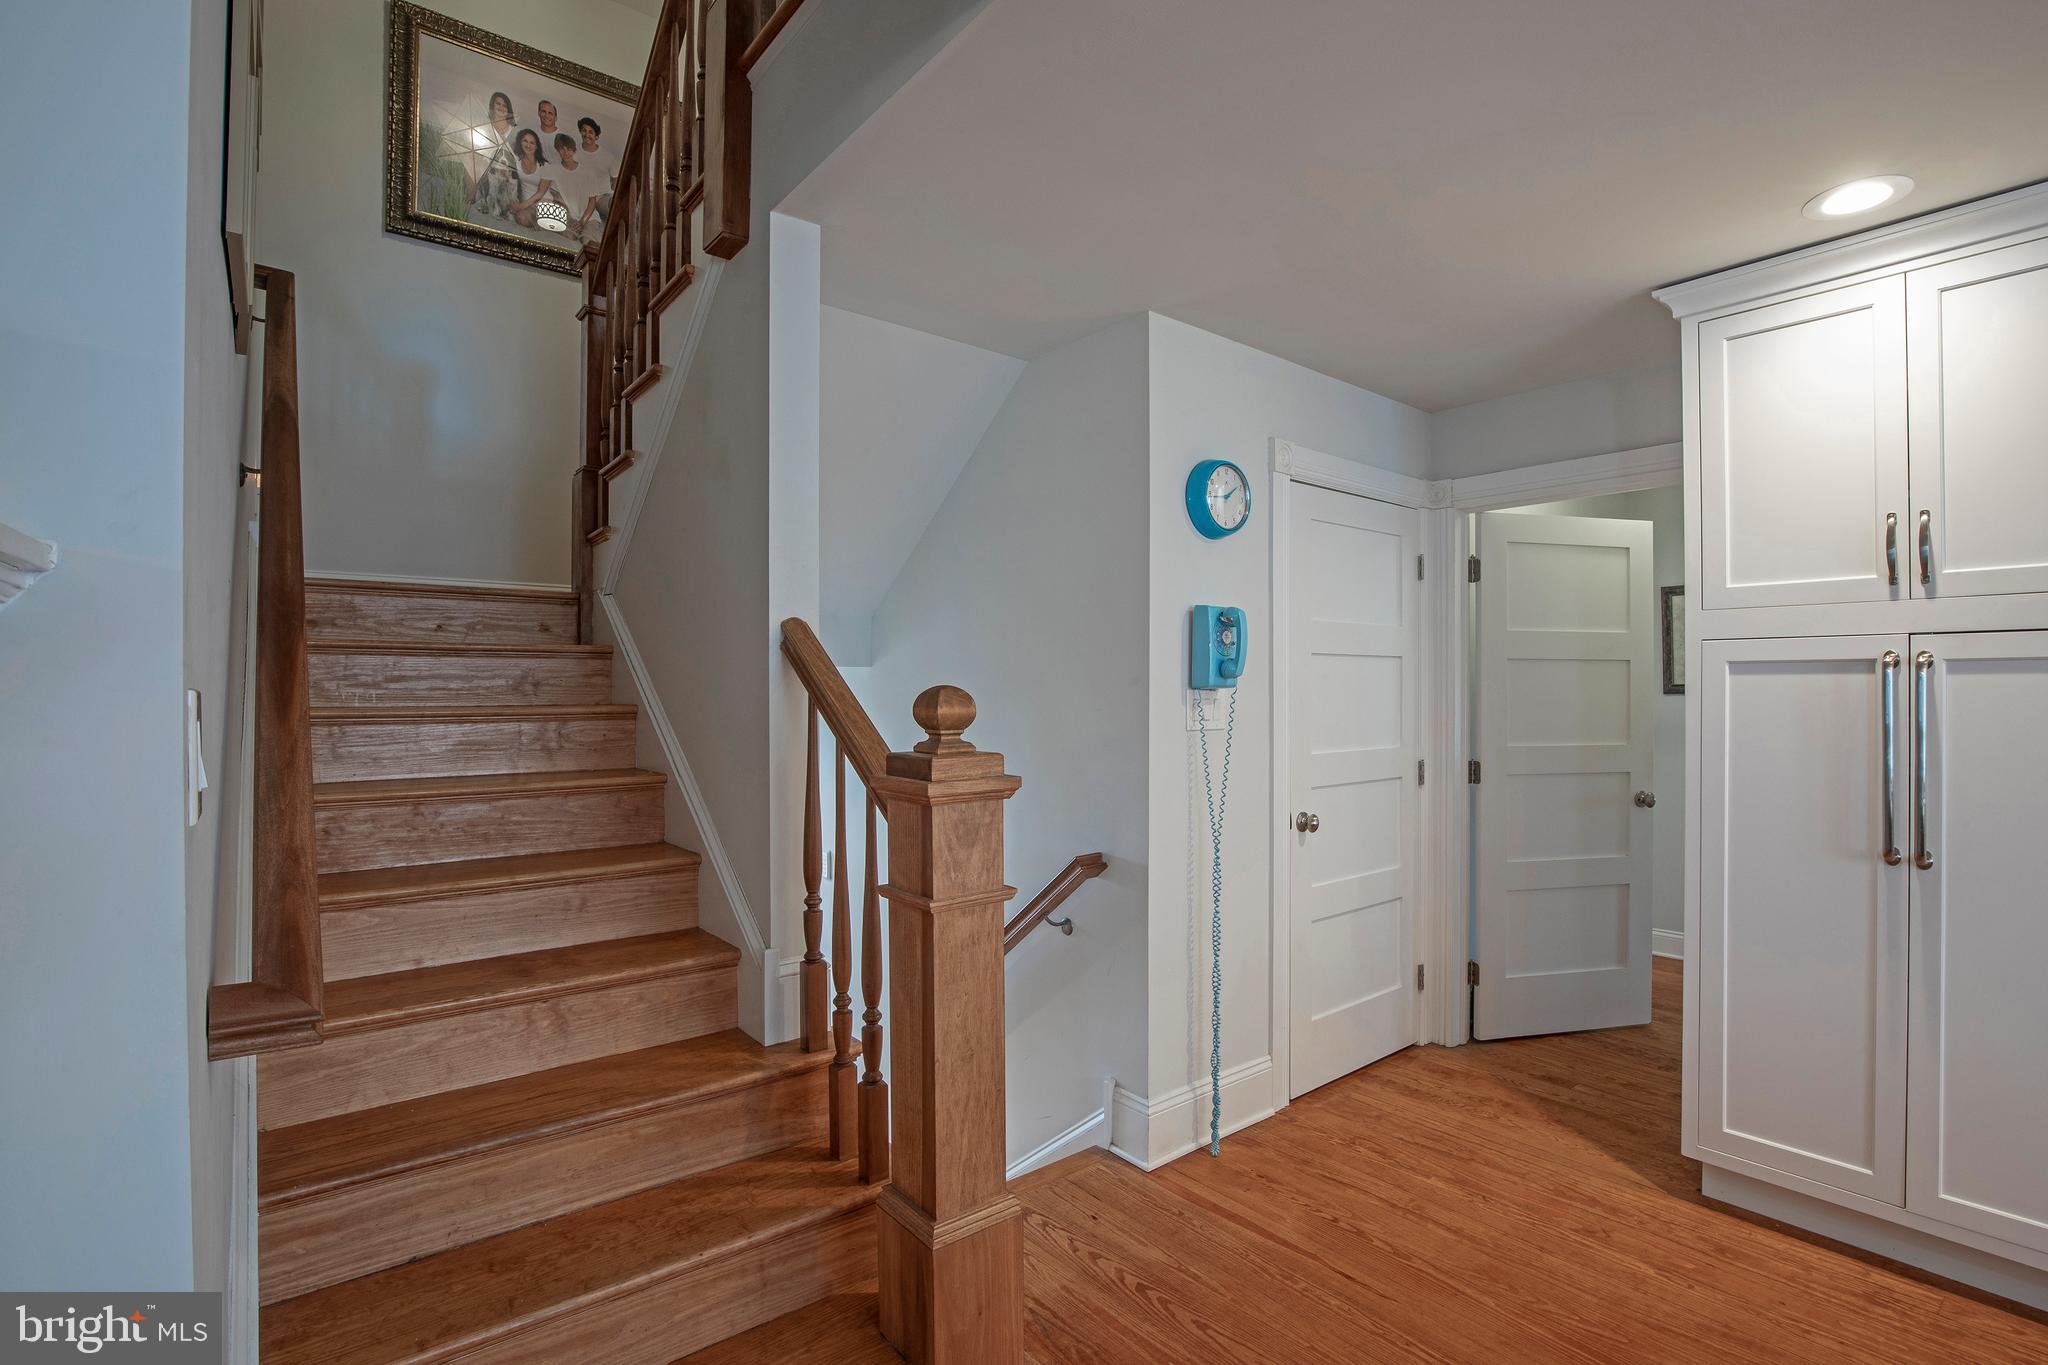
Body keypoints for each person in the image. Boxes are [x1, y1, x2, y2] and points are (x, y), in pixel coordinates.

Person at [465, 90, 520, 221]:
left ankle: (503, 207)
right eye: (498, 104)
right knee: (470, 158)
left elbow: (516, 157)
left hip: (508, 169)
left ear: (509, 109)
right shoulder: (485, 127)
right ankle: (470, 197)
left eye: (504, 105)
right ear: (492, 106)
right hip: (487, 165)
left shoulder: (514, 131)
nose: (501, 107)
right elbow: (479, 150)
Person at [506, 128, 564, 229]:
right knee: (521, 218)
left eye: (532, 143)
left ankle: (543, 224)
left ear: (537, 146)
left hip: (545, 205)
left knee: (566, 233)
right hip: (528, 206)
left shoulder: (545, 166)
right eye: (525, 141)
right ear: (520, 142)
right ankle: (539, 224)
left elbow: (540, 194)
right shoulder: (516, 163)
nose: (528, 145)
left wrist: (520, 206)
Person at [551, 133, 604, 243]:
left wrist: (582, 222)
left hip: (589, 218)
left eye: (569, 149)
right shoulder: (554, 171)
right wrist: (569, 218)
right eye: (562, 149)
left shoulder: (588, 172)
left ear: (574, 150)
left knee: (587, 242)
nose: (566, 152)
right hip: (568, 217)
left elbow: (592, 202)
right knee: (569, 236)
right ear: (557, 150)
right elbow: (558, 199)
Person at [575, 116, 617, 226]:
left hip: (601, 197)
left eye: (591, 132)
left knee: (615, 205)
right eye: (584, 130)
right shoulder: (574, 154)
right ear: (580, 131)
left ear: (596, 136)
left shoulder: (607, 156)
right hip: (582, 197)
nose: (587, 134)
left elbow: (615, 181)